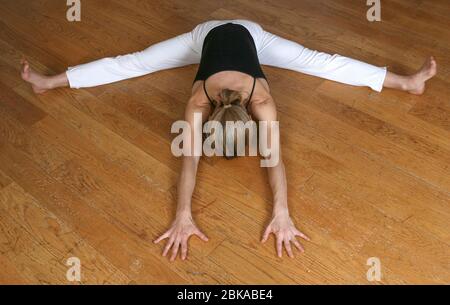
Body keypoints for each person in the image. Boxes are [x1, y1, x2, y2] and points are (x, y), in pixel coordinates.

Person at [21, 19, 437, 261]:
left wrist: (283, 211)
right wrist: (181, 214)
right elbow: (189, 161)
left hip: (254, 37)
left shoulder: (263, 98)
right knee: (134, 63)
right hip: (203, 38)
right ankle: (48, 82)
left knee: (319, 62)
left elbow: (274, 159)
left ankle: (406, 83)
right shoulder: (196, 102)